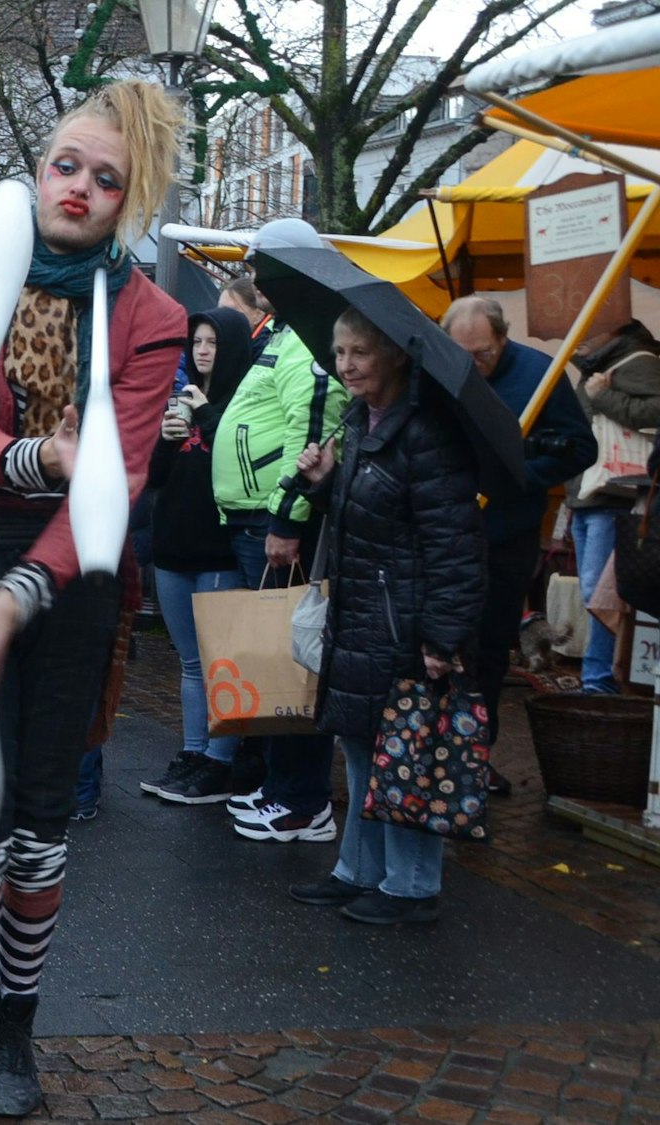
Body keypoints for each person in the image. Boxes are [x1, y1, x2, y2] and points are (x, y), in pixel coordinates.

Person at [0, 82, 186, 1116]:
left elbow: (111, 489)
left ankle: (12, 1023)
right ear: (38, 171)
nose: (79, 189)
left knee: (37, 820)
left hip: (74, 577)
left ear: (130, 201)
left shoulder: (150, 317)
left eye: (106, 179)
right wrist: (40, 456)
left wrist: (24, 595)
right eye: (65, 166)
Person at [286, 306, 485, 926]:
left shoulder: (425, 433)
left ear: (396, 355)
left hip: (403, 623)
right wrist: (323, 485)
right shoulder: (362, 420)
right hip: (364, 617)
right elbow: (368, 521)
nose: (345, 365)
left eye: (359, 353)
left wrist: (442, 635)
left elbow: (455, 545)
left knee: (408, 753)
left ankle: (411, 885)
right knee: (362, 747)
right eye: (340, 352)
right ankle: (359, 871)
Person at [215, 219, 350, 844]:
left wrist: (285, 518)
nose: (254, 278)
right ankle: (281, 788)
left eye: (262, 267)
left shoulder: (316, 338)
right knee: (273, 660)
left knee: (291, 664)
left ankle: (302, 799)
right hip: (258, 519)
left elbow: (313, 430)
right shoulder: (290, 332)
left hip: (277, 523)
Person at [443, 296, 595, 796]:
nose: (473, 364)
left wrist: (521, 477)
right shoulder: (443, 369)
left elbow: (579, 448)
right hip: (448, 531)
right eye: (462, 353)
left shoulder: (541, 375)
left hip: (506, 537)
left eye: (482, 353)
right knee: (441, 649)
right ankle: (437, 749)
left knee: (488, 650)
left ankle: (477, 756)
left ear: (503, 339)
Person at [141, 307, 253, 804]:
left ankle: (220, 762)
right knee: (189, 662)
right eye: (197, 341)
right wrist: (165, 442)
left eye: (212, 342)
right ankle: (192, 753)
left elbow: (235, 465)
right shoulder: (181, 400)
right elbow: (157, 478)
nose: (203, 350)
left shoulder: (242, 402)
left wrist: (206, 414)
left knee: (220, 664)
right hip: (173, 549)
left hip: (217, 551)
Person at [566, 320, 660, 693]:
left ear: (614, 327)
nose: (581, 334)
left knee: (599, 593)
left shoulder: (637, 362)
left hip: (613, 494)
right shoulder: (600, 364)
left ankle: (600, 679)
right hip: (593, 493)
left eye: (591, 325)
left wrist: (604, 398)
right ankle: (598, 676)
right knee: (595, 593)